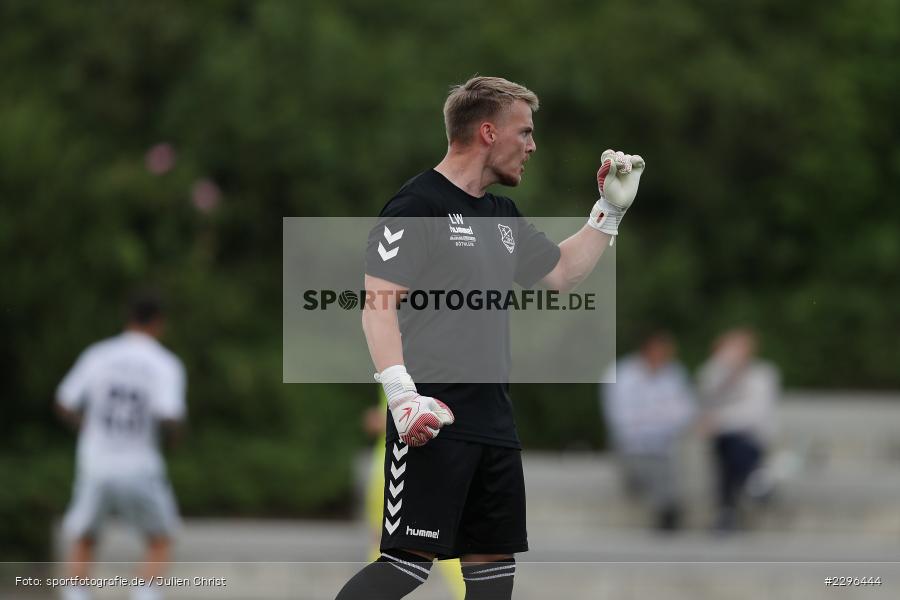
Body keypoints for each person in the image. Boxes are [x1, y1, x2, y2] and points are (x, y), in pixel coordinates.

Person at [335, 76, 645, 599]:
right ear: (487, 132)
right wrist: (403, 397)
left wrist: (607, 213)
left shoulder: (502, 216)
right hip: (430, 421)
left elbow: (563, 273)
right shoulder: (417, 206)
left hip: (494, 424)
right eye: (523, 132)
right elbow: (377, 308)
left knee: (493, 583)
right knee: (404, 568)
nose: (532, 145)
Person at [56, 291, 186, 600]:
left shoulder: (98, 354)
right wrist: (176, 438)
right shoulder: (165, 363)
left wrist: (85, 425)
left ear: (128, 317)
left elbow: (64, 401)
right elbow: (170, 415)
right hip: (140, 462)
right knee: (161, 536)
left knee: (84, 535)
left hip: (95, 460)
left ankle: (76, 595)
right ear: (159, 323)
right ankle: (144, 594)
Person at [601, 330, 695, 531]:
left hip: (665, 444)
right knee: (654, 463)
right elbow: (622, 418)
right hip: (633, 444)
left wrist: (653, 419)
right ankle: (667, 506)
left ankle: (667, 507)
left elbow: (685, 413)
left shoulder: (674, 373)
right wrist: (659, 418)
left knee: (664, 460)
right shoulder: (622, 373)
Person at [697, 327, 779, 533]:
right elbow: (707, 398)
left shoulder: (763, 374)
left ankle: (727, 510)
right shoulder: (712, 373)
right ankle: (755, 482)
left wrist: (719, 421)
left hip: (752, 440)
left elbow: (753, 415)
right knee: (727, 445)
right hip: (725, 441)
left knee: (732, 446)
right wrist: (728, 372)